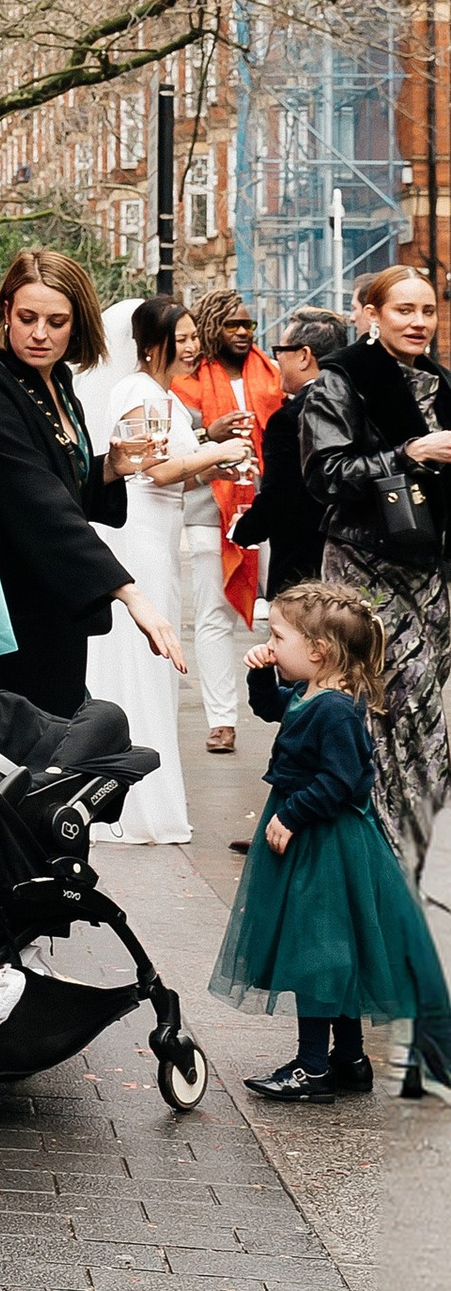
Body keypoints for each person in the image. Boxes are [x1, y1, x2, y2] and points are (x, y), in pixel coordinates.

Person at [214, 584, 451, 1107]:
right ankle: (349, 1058)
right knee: (332, 951)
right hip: (313, 837)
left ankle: (313, 1067)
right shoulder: (311, 692)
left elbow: (345, 779)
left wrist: (292, 815)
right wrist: (260, 672)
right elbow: (273, 707)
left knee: (317, 953)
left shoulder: (336, 709)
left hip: (325, 842)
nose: (270, 644)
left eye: (278, 637)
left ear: (318, 650)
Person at [0, 248, 182, 719]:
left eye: (56, 321)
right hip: (11, 605)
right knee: (20, 749)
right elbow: (34, 499)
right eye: (27, 317)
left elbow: (61, 483)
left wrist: (108, 467)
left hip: (55, 603)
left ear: (77, 323)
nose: (39, 334)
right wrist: (128, 591)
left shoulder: (59, 381)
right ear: (6, 312)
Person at [299, 264, 451, 895]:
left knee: (427, 712)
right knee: (371, 706)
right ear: (370, 313)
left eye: (427, 311)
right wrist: (407, 454)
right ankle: (369, 858)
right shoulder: (339, 382)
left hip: (432, 573)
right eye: (403, 311)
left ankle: (415, 855)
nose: (417, 322)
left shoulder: (442, 384)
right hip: (365, 571)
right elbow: (323, 473)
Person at [83, 298, 247, 841]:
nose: (194, 345)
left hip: (158, 532)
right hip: (140, 538)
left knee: (152, 664)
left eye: (195, 335)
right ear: (153, 344)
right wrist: (217, 450)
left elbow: (178, 470)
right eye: (182, 336)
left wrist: (208, 447)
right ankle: (131, 804)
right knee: (142, 658)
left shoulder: (161, 395)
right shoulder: (140, 391)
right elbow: (156, 470)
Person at [176, 292, 278, 751]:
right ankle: (222, 719)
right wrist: (207, 435)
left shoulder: (272, 375)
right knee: (214, 617)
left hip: (265, 509)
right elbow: (175, 450)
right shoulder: (187, 384)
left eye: (248, 325)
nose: (242, 332)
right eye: (232, 324)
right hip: (207, 511)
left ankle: (290, 709)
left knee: (280, 612)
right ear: (212, 326)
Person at [235, 313, 346, 630]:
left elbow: (278, 498)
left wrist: (243, 529)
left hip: (302, 569)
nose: (275, 361)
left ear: (304, 355)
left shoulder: (290, 419)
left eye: (279, 351)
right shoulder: (358, 402)